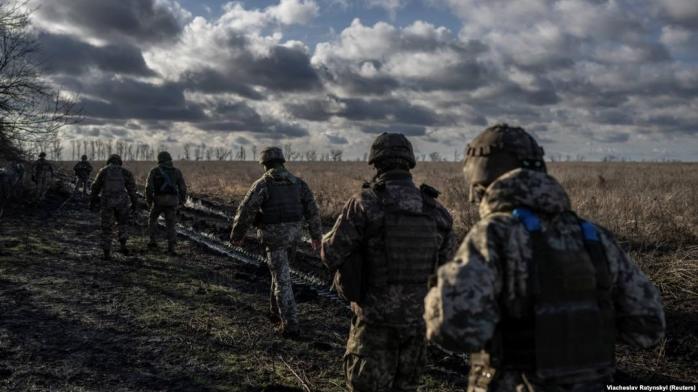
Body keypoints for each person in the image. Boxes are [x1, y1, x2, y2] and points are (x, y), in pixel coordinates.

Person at [424, 124, 666, 391]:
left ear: (480, 177)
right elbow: (647, 327)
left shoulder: (495, 234)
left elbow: (454, 327)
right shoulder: (594, 236)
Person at [321, 133, 456, 392]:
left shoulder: (365, 203)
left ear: (376, 164)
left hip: (374, 325)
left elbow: (331, 254)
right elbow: (447, 273)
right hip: (417, 325)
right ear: (409, 163)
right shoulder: (436, 212)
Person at [229, 146, 322, 338]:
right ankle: (274, 312)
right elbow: (313, 211)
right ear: (282, 162)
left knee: (282, 280)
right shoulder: (298, 184)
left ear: (265, 164)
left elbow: (246, 211)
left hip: (274, 239)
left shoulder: (262, 184)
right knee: (279, 273)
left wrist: (237, 235)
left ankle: (290, 325)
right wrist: (316, 236)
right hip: (294, 237)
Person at [90, 154, 137, 260]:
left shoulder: (104, 171)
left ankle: (107, 252)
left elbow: (95, 187)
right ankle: (123, 246)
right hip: (122, 202)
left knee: (106, 226)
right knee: (123, 224)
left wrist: (92, 201)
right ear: (120, 162)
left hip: (107, 202)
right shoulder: (126, 172)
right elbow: (132, 190)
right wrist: (135, 203)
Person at [145, 151, 187, 255]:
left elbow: (148, 188)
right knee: (171, 224)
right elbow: (183, 188)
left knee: (152, 220)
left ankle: (152, 241)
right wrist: (182, 200)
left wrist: (149, 201)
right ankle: (171, 248)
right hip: (172, 202)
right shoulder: (177, 172)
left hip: (158, 201)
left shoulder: (154, 171)